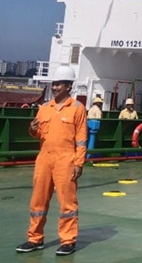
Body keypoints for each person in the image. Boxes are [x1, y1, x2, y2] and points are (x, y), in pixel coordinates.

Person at [16, 66, 87, 256]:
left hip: (66, 159)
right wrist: (32, 128)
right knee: (38, 200)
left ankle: (68, 240)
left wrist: (78, 163)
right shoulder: (44, 108)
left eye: (59, 84)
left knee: (67, 203)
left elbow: (81, 139)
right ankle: (35, 239)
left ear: (69, 86)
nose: (55, 87)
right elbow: (38, 134)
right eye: (54, 84)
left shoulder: (77, 109)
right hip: (44, 159)